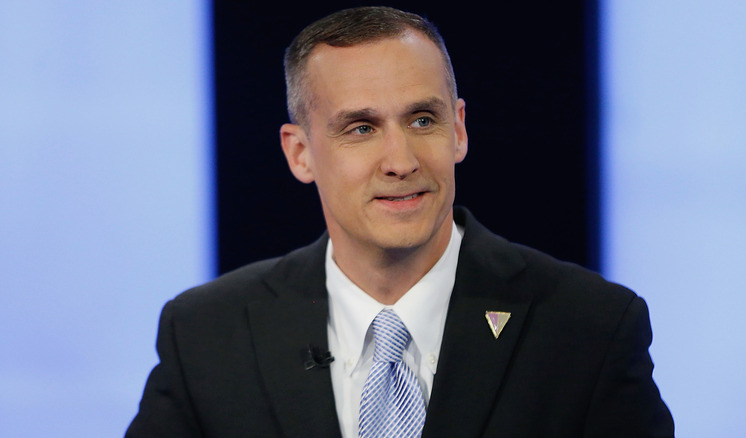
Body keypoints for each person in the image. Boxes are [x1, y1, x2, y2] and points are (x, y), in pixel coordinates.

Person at [126, 6, 674, 437]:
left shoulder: (590, 329)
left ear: (458, 130)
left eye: (422, 119)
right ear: (300, 154)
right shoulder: (206, 336)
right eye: (361, 128)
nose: (402, 160)